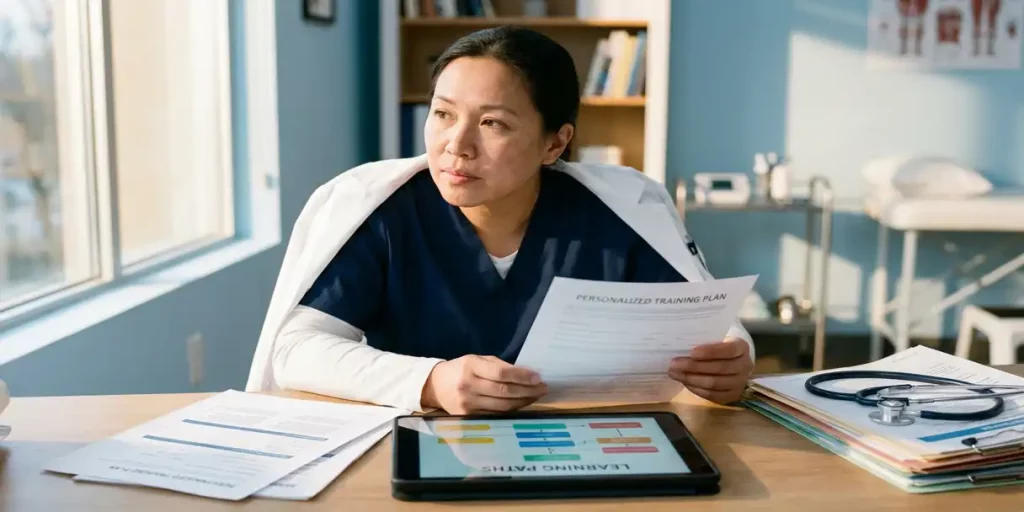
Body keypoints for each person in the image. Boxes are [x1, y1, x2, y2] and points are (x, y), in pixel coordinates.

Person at [246, 27, 754, 414]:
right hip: (422, 450)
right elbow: (295, 350)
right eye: (443, 114)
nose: (456, 145)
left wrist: (733, 359)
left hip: (591, 451)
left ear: (555, 142)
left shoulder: (617, 213)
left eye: (492, 123)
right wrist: (431, 381)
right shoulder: (386, 212)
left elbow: (709, 320)